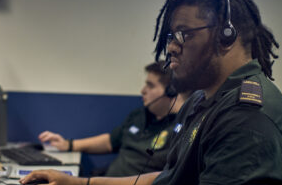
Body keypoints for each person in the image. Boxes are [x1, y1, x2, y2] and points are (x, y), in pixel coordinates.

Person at [20, 0, 282, 185]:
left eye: (183, 34)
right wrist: (77, 184)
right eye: (170, 36)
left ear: (226, 36)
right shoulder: (204, 100)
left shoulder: (247, 116)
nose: (171, 47)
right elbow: (168, 180)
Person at [39, 61, 190, 178]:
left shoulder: (182, 128)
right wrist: (68, 144)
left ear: (172, 91)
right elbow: (110, 142)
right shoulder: (139, 116)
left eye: (150, 86)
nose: (142, 91)